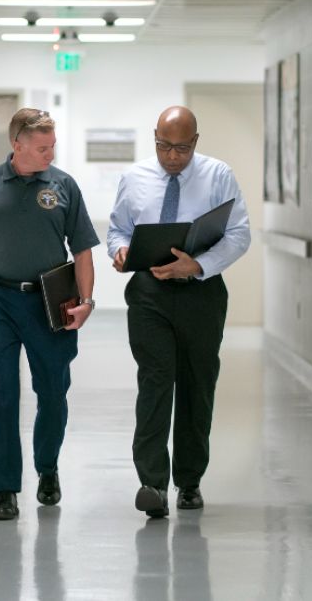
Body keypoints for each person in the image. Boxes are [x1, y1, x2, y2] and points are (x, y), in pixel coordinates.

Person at [0, 107, 99, 521]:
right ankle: (6, 489)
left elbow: (84, 249)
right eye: (41, 148)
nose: (49, 154)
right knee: (3, 395)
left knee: (52, 392)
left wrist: (86, 301)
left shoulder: (64, 186)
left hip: (50, 302)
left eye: (52, 146)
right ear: (16, 145)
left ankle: (47, 467)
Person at [108, 106, 251, 518]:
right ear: (154, 138)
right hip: (149, 291)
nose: (173, 156)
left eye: (183, 148)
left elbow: (239, 233)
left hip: (200, 291)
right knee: (155, 380)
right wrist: (119, 250)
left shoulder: (218, 175)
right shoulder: (134, 177)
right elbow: (118, 228)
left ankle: (189, 482)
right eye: (165, 146)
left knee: (196, 383)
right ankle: (151, 482)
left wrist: (199, 265)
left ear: (196, 142)